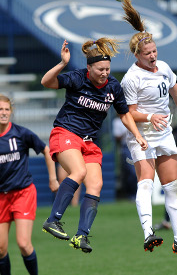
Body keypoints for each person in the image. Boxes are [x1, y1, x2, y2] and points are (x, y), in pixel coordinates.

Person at [41, 38, 148, 254]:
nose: (104, 73)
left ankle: (81, 235)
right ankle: (53, 220)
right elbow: (46, 82)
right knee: (78, 171)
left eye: (107, 69)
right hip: (66, 132)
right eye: (100, 69)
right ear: (89, 67)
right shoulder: (77, 77)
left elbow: (124, 114)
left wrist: (137, 134)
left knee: (95, 185)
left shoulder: (113, 87)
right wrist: (62, 63)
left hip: (89, 142)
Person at [120, 0, 177, 259]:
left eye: (155, 51)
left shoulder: (163, 67)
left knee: (172, 186)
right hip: (141, 135)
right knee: (146, 183)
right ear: (137, 55)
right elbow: (130, 113)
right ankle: (148, 233)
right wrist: (150, 117)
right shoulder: (131, 78)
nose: (153, 56)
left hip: (165, 133)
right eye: (148, 54)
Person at [0, 94, 59, 275]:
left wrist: (53, 178)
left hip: (22, 193)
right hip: (1, 197)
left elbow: (46, 150)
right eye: (0, 110)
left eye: (6, 109)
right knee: (0, 249)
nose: (3, 113)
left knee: (24, 244)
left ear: (11, 112)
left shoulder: (21, 133)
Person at [112, 115, 137, 200]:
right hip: (126, 147)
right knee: (131, 172)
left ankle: (136, 194)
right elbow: (117, 137)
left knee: (137, 172)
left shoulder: (135, 117)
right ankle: (131, 194)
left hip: (137, 145)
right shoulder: (117, 121)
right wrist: (127, 130)